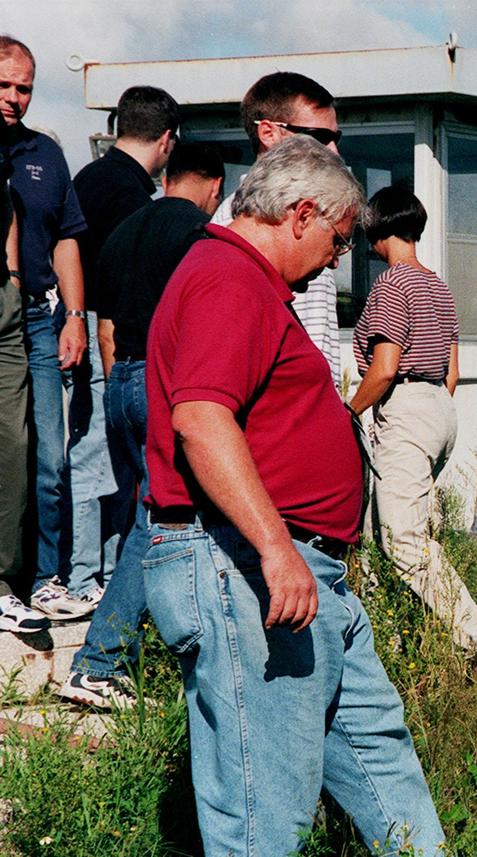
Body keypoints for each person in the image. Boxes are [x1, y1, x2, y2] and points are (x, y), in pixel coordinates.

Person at [143, 136, 444, 855]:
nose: (341, 257)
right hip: (247, 568)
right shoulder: (227, 277)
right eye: (339, 240)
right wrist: (277, 549)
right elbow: (202, 419)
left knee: (382, 761)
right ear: (301, 213)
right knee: (262, 814)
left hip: (306, 577)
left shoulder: (248, 283)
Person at [60, 142, 223, 708]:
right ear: (215, 187)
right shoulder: (199, 236)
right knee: (164, 520)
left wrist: (121, 390)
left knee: (146, 519)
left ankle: (131, 656)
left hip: (121, 379)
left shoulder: (125, 230)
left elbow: (106, 329)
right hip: (164, 382)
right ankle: (100, 662)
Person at [348, 185, 477, 657]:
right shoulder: (437, 284)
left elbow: (386, 366)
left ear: (379, 232)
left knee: (400, 538)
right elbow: (453, 372)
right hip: (439, 408)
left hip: (407, 405)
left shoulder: (392, 284)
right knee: (379, 533)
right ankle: (382, 644)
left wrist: (348, 410)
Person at [69, 85, 181, 607]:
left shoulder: (90, 177)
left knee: (93, 455)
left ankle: (94, 572)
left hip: (76, 325)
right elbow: (122, 296)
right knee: (99, 459)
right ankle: (85, 578)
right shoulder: (133, 198)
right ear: (166, 140)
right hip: (100, 334)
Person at [0, 34, 92, 621]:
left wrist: (75, 317)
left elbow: (67, 239)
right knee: (8, 448)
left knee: (48, 456)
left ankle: (46, 578)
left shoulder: (46, 154)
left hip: (37, 314)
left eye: (24, 87)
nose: (14, 97)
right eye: (4, 85)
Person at [212, 71, 343, 387]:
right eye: (319, 137)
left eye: (336, 139)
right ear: (269, 132)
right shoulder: (240, 221)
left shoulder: (309, 212)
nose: (334, 153)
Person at [0, 131, 47, 632]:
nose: (14, 97)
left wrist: (13, 277)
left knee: (13, 446)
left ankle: (3, 586)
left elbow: (7, 204)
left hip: (4, 308)